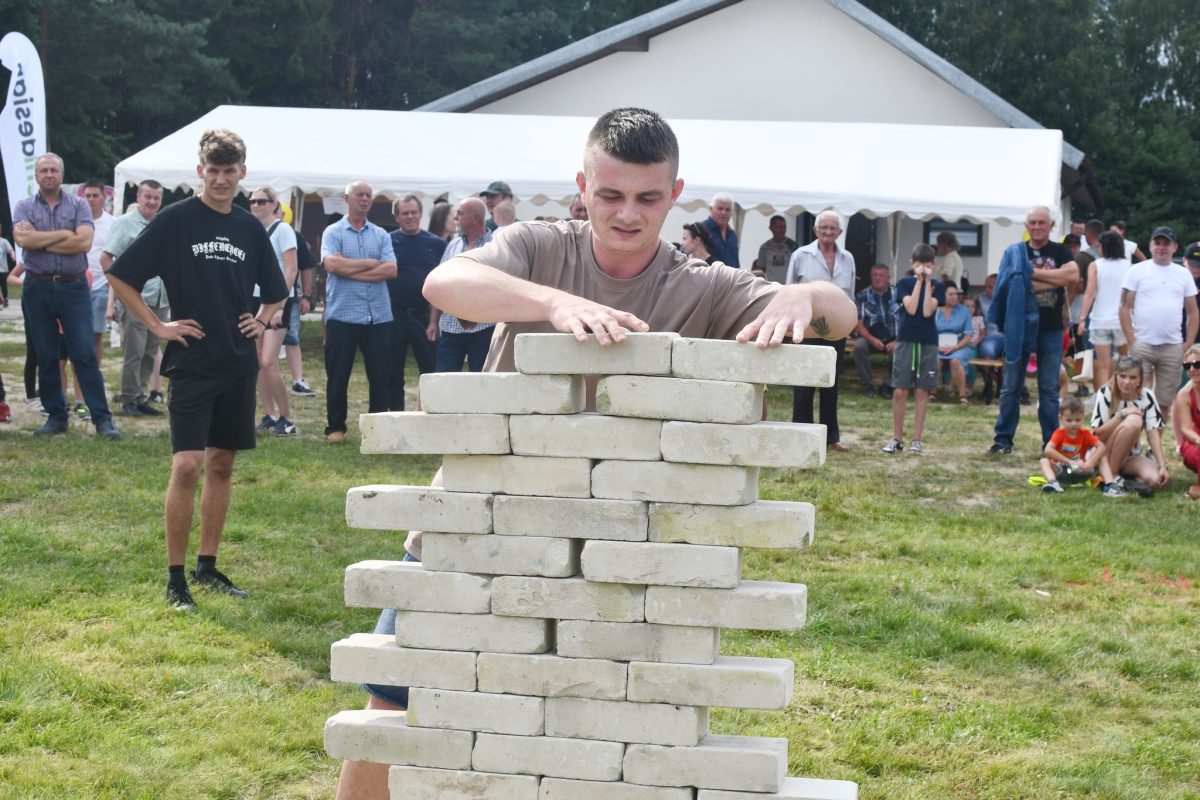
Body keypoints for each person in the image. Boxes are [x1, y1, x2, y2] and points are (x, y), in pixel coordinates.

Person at [333, 106, 857, 800]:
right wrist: (551, 304)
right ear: (582, 186)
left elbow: (839, 316)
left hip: (619, 559)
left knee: (590, 742)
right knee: (396, 710)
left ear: (675, 193)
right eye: (609, 195)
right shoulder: (537, 246)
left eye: (646, 197)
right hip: (474, 529)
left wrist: (800, 292)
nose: (627, 214)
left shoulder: (700, 284)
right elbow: (444, 284)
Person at [106, 129, 288, 611]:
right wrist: (158, 325)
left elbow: (277, 289)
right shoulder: (176, 221)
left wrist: (263, 318)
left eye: (231, 171)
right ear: (200, 171)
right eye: (214, 171)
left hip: (236, 363)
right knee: (187, 465)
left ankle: (207, 567)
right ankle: (175, 579)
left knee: (222, 465)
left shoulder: (250, 227)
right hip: (191, 361)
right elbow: (120, 274)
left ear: (242, 173)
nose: (222, 179)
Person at [12, 153, 120, 439]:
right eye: (44, 170)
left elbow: (83, 242)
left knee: (84, 353)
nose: (49, 174)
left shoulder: (79, 204)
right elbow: (23, 240)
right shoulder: (24, 206)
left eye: (54, 170)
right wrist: (64, 235)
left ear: (61, 174)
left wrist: (42, 241)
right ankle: (56, 417)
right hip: (37, 287)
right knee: (46, 354)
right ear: (36, 176)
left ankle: (102, 419)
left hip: (74, 288)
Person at [986, 206, 1079, 455]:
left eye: (1041, 222)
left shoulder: (1059, 251)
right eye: (1032, 223)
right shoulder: (1015, 253)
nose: (1036, 227)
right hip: (1019, 328)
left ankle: (1051, 443)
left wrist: (1029, 275)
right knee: (1010, 386)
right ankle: (1002, 441)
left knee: (1049, 389)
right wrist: (1052, 277)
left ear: (1050, 225)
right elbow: (1009, 283)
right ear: (1026, 226)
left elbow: (1072, 276)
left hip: (1051, 328)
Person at [320, 181, 398, 443]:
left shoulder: (381, 235)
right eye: (359, 195)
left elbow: (391, 270)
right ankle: (335, 427)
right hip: (342, 315)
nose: (364, 199)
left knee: (380, 374)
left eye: (368, 196)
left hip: (378, 315)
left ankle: (376, 427)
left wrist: (349, 268)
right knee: (338, 374)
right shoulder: (333, 232)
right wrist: (369, 264)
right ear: (347, 198)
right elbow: (330, 264)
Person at [786, 210, 854, 452]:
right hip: (806, 329)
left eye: (832, 228)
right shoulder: (801, 256)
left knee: (831, 384)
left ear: (840, 232)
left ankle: (831, 437)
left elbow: (850, 296)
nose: (827, 232)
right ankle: (801, 435)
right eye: (823, 227)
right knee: (804, 384)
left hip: (836, 330)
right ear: (815, 230)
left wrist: (850, 322)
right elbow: (789, 291)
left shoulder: (848, 259)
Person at [1119, 226, 1198, 423]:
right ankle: (1133, 443)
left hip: (1172, 346)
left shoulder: (1183, 274)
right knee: (1135, 397)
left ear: (1174, 247)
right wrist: (1131, 340)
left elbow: (1193, 311)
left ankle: (1155, 447)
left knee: (1164, 401)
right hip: (1143, 343)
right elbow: (1123, 307)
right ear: (1150, 245)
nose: (1161, 247)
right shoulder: (1136, 270)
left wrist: (1187, 343)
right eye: (1157, 243)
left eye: (1166, 244)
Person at [102, 179, 167, 417]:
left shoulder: (163, 223)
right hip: (136, 297)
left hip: (160, 298)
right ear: (138, 197)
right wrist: (121, 292)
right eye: (147, 196)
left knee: (151, 350)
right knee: (135, 351)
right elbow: (106, 258)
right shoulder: (125, 224)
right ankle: (128, 398)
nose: (151, 202)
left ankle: (140, 396)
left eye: (156, 198)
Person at [387, 194, 447, 410]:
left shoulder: (437, 244)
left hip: (425, 317)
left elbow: (441, 283)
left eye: (414, 212)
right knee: (393, 372)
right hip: (395, 316)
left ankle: (432, 413)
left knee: (430, 370)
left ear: (420, 214)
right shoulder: (388, 241)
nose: (410, 217)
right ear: (397, 217)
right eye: (405, 213)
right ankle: (396, 415)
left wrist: (433, 321)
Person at [882, 244, 943, 454]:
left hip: (928, 341)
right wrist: (918, 281)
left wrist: (927, 284)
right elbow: (910, 307)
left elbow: (926, 311)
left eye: (927, 265)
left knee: (922, 390)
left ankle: (916, 439)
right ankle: (897, 438)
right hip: (906, 340)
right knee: (900, 391)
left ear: (933, 265)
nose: (923, 269)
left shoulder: (938, 286)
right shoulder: (904, 283)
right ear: (912, 264)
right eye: (919, 265)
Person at [247, 187, 298, 436]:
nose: (256, 205)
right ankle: (268, 414)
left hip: (275, 301)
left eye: (262, 201)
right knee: (257, 362)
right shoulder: (253, 230)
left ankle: (287, 417)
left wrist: (280, 303)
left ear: (274, 204)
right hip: (254, 299)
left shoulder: (283, 229)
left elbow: (291, 270)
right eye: (253, 201)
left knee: (269, 362)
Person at [429, 197, 493, 372]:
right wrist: (433, 322)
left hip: (484, 327)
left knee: (482, 381)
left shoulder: (494, 246)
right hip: (450, 326)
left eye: (460, 213)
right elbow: (439, 283)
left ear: (475, 218)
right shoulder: (453, 245)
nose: (455, 217)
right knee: (444, 379)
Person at [1090, 355, 1170, 494]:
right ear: (1116, 376)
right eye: (1122, 376)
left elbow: (1153, 434)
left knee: (1154, 480)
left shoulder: (1147, 396)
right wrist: (1122, 415)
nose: (1127, 382)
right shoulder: (1105, 393)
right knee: (1134, 420)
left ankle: (1124, 479)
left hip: (1131, 456)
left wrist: (1162, 465)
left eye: (1133, 378)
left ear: (1140, 380)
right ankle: (1112, 475)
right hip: (1103, 453)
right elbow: (1099, 434)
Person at [1076, 230, 1131, 394]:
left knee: (1103, 364)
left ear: (1103, 247)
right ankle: (1124, 394)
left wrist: (1082, 319)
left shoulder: (1095, 265)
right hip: (1122, 321)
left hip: (1100, 320)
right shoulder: (1129, 266)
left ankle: (1104, 398)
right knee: (1126, 361)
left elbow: (1090, 293)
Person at [1038, 396, 1122, 495]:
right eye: (1069, 420)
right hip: (1061, 471)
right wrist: (1069, 461)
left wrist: (1090, 463)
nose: (1073, 424)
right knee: (1043, 461)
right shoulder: (1059, 433)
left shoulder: (1085, 434)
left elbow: (1102, 447)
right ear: (1061, 419)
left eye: (1077, 420)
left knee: (1102, 458)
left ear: (1083, 418)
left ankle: (1110, 486)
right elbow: (1048, 450)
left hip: (1081, 470)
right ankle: (1054, 484)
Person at [853, 263, 897, 398]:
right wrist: (872, 339)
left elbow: (908, 320)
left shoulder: (898, 294)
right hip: (871, 337)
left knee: (905, 350)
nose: (877, 278)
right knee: (859, 347)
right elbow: (858, 324)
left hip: (894, 338)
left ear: (888, 278)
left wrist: (898, 340)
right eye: (875, 275)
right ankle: (868, 385)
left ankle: (889, 385)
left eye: (881, 275)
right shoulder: (862, 295)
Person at [935, 284, 974, 403]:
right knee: (934, 360)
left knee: (955, 361)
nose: (954, 297)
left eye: (956, 294)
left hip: (960, 346)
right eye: (950, 294)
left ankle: (962, 396)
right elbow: (928, 333)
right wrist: (936, 347)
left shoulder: (964, 310)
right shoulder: (934, 309)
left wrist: (956, 347)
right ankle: (932, 391)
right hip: (937, 346)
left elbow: (968, 336)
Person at [1174, 344, 1200, 500]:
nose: (1192, 369)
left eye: (1197, 364)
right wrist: (1199, 440)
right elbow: (1185, 429)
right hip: (1194, 440)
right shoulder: (1184, 395)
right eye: (1187, 365)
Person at [756, 214, 798, 284]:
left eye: (784, 227)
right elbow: (762, 270)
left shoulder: (793, 246)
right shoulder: (764, 248)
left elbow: (798, 267)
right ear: (771, 228)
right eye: (779, 227)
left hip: (788, 287)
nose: (783, 230)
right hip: (770, 287)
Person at [702, 192, 740, 267]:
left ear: (732, 212)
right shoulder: (701, 230)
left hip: (731, 277)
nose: (723, 213)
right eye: (720, 208)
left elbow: (736, 263)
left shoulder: (732, 234)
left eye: (727, 210)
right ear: (711, 209)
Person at [0, 222, 14, 307]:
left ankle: (5, 298)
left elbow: (10, 250)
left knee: (3, 285)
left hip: (2, 268)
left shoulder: (4, 242)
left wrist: (13, 255)